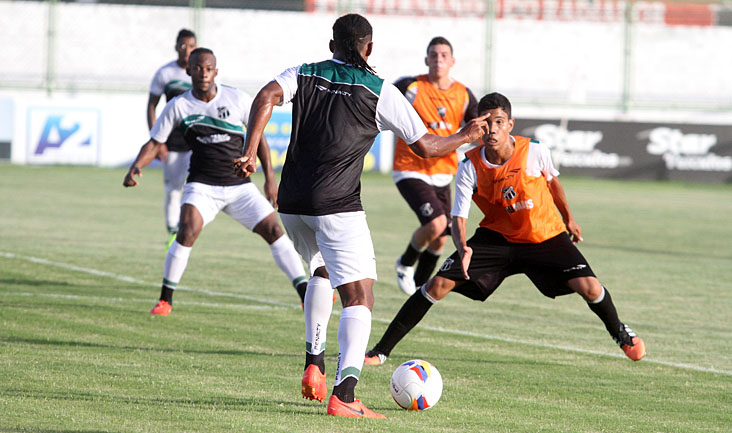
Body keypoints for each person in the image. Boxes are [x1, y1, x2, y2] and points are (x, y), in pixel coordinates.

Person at [234, 14, 489, 418]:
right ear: (368, 47)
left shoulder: (304, 72)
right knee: (360, 294)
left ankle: (314, 364)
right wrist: (466, 136)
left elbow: (264, 97)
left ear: (332, 43)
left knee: (320, 270)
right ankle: (346, 396)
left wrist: (250, 151)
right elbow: (427, 147)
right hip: (336, 205)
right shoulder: (380, 90)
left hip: (293, 202)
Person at [365, 92, 646, 367]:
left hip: (544, 235)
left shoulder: (534, 150)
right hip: (497, 238)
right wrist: (463, 248)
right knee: (437, 285)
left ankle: (620, 333)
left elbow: (553, 183)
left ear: (510, 124)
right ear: (477, 125)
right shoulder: (470, 165)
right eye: (486, 122)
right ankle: (380, 351)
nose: (492, 129)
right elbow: (459, 217)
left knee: (590, 287)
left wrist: (568, 218)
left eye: (499, 122)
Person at [124, 47, 309, 315]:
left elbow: (259, 139)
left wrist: (270, 179)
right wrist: (136, 166)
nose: (203, 73)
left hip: (240, 188)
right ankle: (165, 300)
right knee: (186, 231)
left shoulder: (236, 98)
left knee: (275, 231)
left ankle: (305, 294)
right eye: (197, 68)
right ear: (188, 71)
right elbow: (155, 142)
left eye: (208, 68)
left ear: (216, 72)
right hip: (202, 185)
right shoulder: (179, 106)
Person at [392, 36, 478, 296]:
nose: (438, 60)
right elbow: (379, 102)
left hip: (443, 172)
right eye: (433, 55)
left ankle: (419, 287)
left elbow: (478, 126)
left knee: (442, 238)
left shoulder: (462, 94)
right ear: (426, 59)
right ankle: (405, 263)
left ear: (452, 61)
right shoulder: (411, 87)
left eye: (443, 55)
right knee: (438, 223)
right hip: (410, 168)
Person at [147, 29, 197, 247]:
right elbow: (151, 106)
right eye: (183, 46)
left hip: (197, 141)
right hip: (173, 142)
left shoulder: (201, 71)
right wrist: (157, 140)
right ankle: (172, 232)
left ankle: (189, 229)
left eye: (192, 46)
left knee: (195, 188)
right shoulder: (165, 73)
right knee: (173, 189)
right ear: (176, 47)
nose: (187, 50)